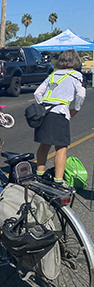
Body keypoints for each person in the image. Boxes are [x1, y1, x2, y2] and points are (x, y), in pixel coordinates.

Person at [33, 49, 86, 185]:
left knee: (44, 144)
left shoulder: (53, 75)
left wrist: (43, 105)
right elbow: (81, 94)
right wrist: (76, 109)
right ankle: (58, 180)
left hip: (44, 112)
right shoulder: (76, 76)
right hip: (60, 112)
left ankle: (39, 174)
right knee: (61, 147)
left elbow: (37, 93)